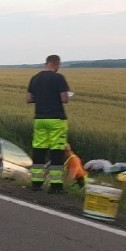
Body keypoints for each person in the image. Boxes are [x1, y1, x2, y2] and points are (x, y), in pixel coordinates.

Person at [26, 54, 72, 193]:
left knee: (39, 149)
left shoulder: (35, 78)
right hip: (56, 119)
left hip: (39, 119)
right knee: (56, 151)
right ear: (57, 64)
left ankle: (36, 183)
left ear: (46, 63)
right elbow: (64, 99)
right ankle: (55, 186)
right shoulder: (59, 78)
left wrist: (41, 98)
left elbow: (28, 99)